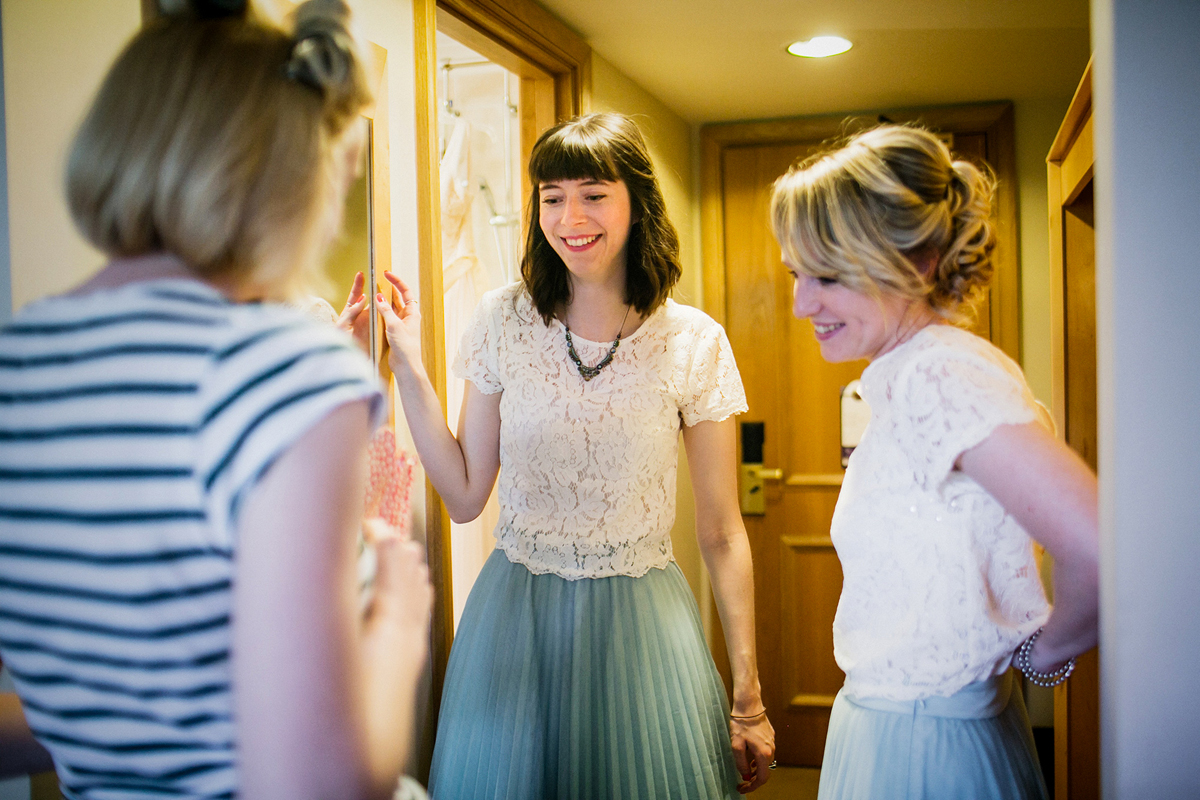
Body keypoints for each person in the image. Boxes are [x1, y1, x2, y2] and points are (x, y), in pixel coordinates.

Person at [0, 2, 431, 799]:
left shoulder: (20, 362)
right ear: (295, 183)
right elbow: (319, 787)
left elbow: (104, 695)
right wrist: (398, 618)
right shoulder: (290, 373)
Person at [377, 112, 775, 798]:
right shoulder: (505, 319)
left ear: (637, 201)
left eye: (593, 194)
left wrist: (749, 694)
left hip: (643, 628)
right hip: (515, 619)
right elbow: (467, 495)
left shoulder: (693, 342)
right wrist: (409, 364)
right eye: (551, 196)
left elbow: (721, 530)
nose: (570, 217)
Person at [769, 125, 1100, 799]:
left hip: (926, 747)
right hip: (902, 726)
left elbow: (1100, 549)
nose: (803, 302)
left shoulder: (940, 375)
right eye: (797, 272)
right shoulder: (908, 372)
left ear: (917, 261)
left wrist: (1041, 656)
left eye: (828, 275)